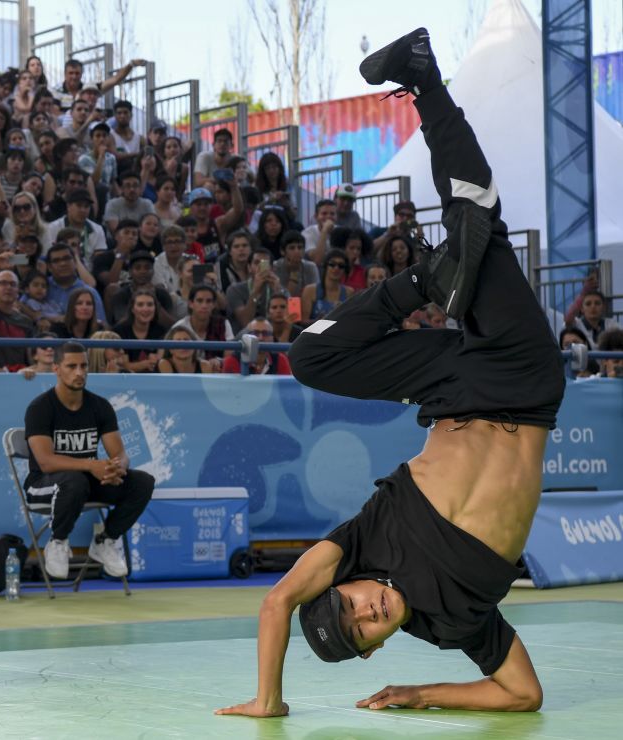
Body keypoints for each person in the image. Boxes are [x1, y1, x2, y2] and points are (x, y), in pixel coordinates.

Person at [217, 29, 565, 719]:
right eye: (366, 628)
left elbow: (278, 598)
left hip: (452, 388)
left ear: (347, 586)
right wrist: (419, 694)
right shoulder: (452, 625)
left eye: (353, 606)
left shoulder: (358, 546)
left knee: (310, 356)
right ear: (376, 647)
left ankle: (421, 281)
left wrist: (269, 699)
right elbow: (523, 694)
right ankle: (424, 80)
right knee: (476, 216)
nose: (370, 609)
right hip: (525, 383)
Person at [23, 341, 155, 579]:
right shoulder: (40, 407)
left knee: (142, 482)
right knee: (74, 481)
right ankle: (58, 542)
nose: (79, 372)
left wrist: (117, 467)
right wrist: (91, 465)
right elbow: (45, 462)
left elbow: (120, 453)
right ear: (56, 368)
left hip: (84, 483)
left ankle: (105, 541)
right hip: (43, 484)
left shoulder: (99, 406)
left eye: (83, 366)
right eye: (71, 366)